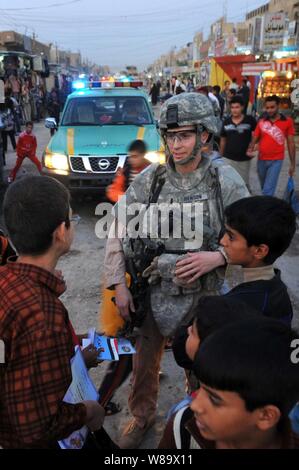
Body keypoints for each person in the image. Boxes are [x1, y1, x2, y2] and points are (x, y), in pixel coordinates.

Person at [103, 92, 249, 448]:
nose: (176, 143)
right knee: (143, 362)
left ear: (204, 134)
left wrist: (218, 258)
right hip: (153, 293)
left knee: (203, 367)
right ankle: (141, 416)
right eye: (170, 135)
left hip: (206, 297)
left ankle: (197, 420)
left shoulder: (223, 179)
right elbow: (118, 227)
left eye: (184, 134)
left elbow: (252, 234)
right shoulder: (151, 179)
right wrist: (116, 285)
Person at [0, 176, 106, 449]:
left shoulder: (7, 281)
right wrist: (89, 411)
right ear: (62, 232)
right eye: (73, 218)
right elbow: (36, 428)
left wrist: (74, 356)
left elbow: (12, 357)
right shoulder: (44, 316)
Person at [172, 195, 295, 391]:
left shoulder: (238, 307)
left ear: (260, 251)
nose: (222, 241)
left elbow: (182, 350)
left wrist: (189, 328)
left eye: (231, 236)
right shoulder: (273, 288)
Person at [159, 317, 299, 449]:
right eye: (202, 388)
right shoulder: (182, 426)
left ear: (266, 416)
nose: (195, 405)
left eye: (214, 399)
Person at [248, 95, 296, 196]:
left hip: (276, 160)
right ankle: (270, 205)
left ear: (278, 106)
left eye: (272, 107)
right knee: (264, 187)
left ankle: (267, 210)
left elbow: (291, 143)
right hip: (261, 159)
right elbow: (255, 137)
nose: (269, 110)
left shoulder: (287, 121)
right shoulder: (262, 121)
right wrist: (250, 148)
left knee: (267, 191)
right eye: (267, 108)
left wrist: (292, 163)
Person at [220, 95, 256, 188]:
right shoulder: (226, 122)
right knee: (229, 184)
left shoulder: (250, 120)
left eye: (237, 107)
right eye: (232, 107)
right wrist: (221, 156)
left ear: (242, 107)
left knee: (243, 184)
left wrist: (253, 147)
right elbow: (223, 139)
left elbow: (257, 135)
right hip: (228, 158)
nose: (234, 110)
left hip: (243, 159)